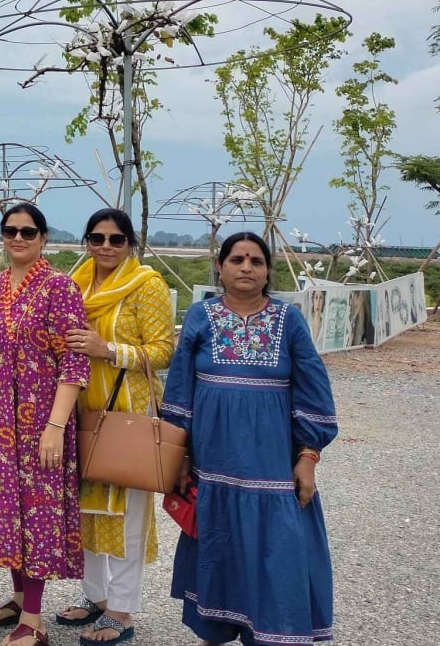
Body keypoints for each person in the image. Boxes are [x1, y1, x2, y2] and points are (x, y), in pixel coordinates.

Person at [161, 232, 337, 646]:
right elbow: (180, 391)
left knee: (279, 553)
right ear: (220, 268)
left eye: (256, 261)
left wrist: (307, 457)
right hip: (213, 466)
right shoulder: (200, 316)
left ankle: (273, 635)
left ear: (267, 271)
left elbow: (314, 388)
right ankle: (216, 631)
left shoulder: (288, 320)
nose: (246, 267)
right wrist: (179, 454)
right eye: (237, 259)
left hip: (271, 468)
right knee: (219, 549)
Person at [56, 208, 177, 644]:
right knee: (85, 509)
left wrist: (107, 349)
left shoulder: (148, 285)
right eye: (97, 238)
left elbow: (162, 351)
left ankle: (122, 611)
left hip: (128, 416)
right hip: (83, 412)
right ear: (86, 241)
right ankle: (97, 597)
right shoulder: (77, 283)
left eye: (116, 239)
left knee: (128, 514)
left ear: (130, 243)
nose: (105, 247)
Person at [0, 202, 89, 646]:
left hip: (43, 418)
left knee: (38, 514)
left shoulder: (59, 287)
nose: (18, 238)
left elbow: (73, 363)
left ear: (43, 238)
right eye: (10, 230)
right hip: (1, 416)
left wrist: (56, 426)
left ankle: (35, 620)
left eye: (28, 231)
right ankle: (21, 599)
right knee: (9, 510)